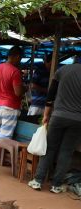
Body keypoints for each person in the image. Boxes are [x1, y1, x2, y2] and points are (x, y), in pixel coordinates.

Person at [28, 62, 81, 193]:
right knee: (66, 152)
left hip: (58, 116)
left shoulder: (62, 70)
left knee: (50, 148)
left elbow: (50, 95)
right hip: (77, 120)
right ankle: (56, 185)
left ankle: (38, 181)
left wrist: (46, 115)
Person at [0, 46, 27, 164]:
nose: (20, 61)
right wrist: (25, 88)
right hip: (10, 106)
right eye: (20, 58)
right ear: (17, 56)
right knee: (5, 135)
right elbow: (18, 92)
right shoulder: (15, 71)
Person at [27, 54, 52, 118]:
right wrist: (46, 90)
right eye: (50, 64)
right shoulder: (39, 71)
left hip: (47, 106)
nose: (51, 66)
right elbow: (32, 85)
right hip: (37, 105)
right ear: (47, 62)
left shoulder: (53, 72)